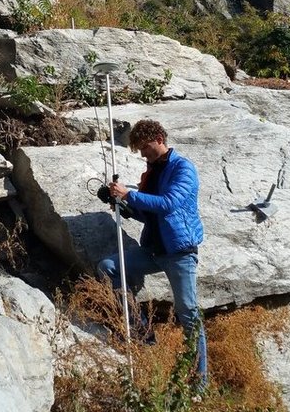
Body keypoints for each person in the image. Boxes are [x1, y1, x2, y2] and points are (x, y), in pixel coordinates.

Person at [96, 119, 207, 387]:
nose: (143, 154)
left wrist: (129, 196)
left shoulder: (183, 168)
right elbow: (149, 213)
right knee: (108, 266)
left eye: (145, 147)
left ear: (159, 139)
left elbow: (169, 204)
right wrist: (122, 204)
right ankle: (144, 336)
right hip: (154, 250)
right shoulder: (151, 171)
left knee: (188, 312)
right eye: (140, 150)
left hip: (180, 252)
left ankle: (201, 381)